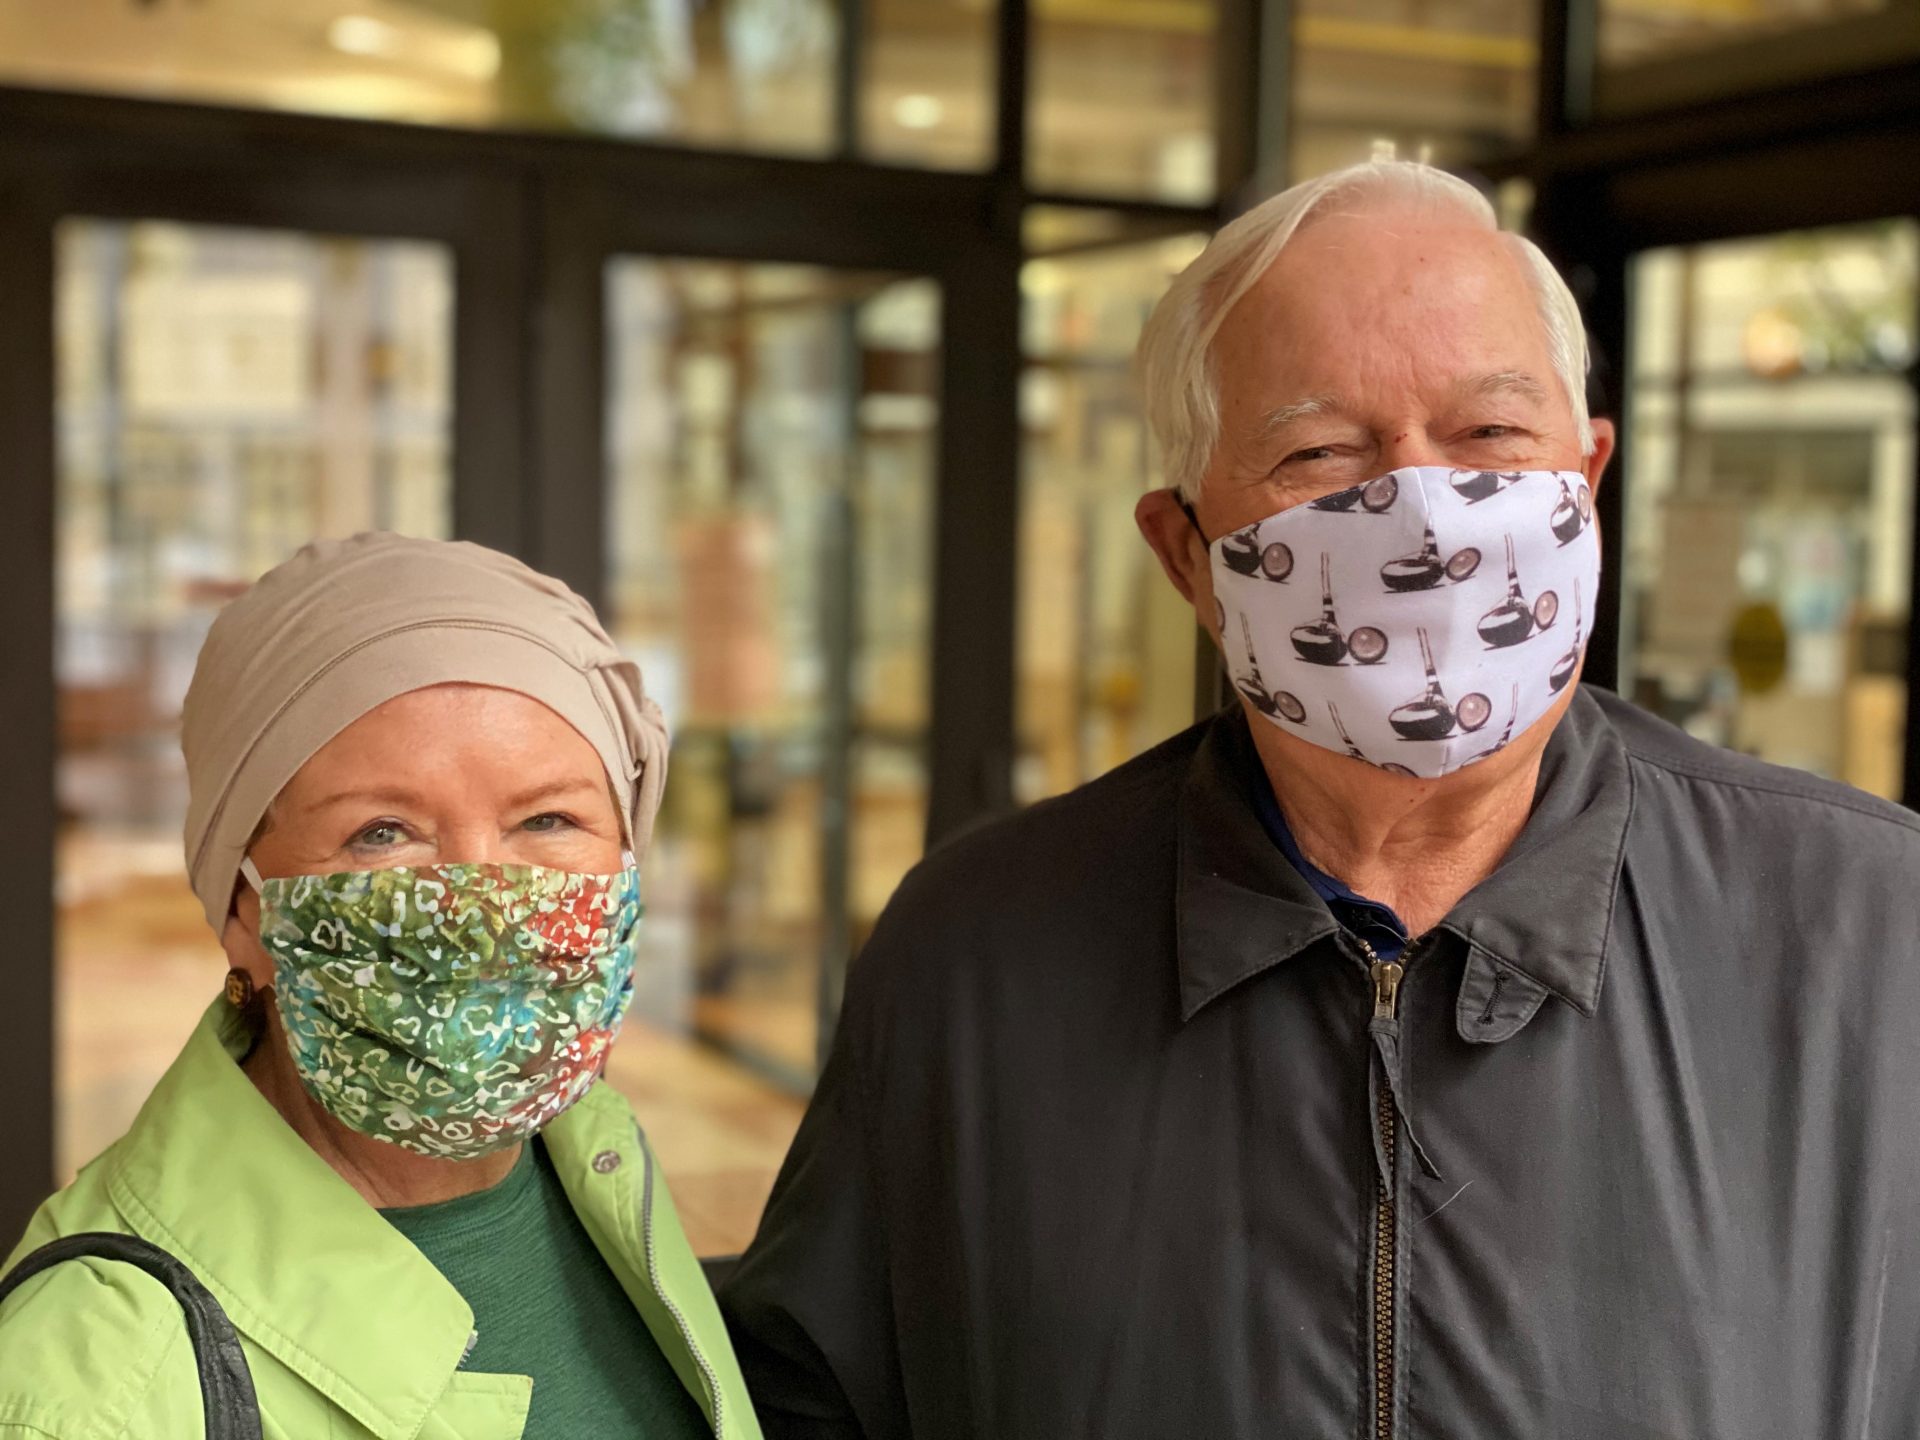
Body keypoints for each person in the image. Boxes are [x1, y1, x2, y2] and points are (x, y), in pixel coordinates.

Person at [717, 160, 1920, 1439]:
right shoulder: (975, 953)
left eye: (1491, 438)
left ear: (1588, 479)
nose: (1418, 511)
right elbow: (815, 1402)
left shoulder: (1868, 931)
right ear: (1187, 554)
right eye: (1319, 453)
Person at [0, 534, 762, 1440]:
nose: (484, 912)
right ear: (244, 910)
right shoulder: (87, 1384)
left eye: (549, 819)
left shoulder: (598, 1157)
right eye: (382, 834)